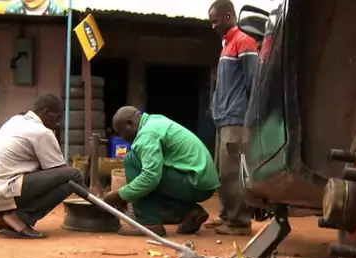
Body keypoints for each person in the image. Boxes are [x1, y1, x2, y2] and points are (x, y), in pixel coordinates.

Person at [0, 93, 82, 239]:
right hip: (2, 188)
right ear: (45, 113)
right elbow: (61, 170)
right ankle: (20, 217)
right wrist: (92, 197)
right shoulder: (42, 132)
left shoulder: (16, 120)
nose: (59, 123)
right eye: (57, 117)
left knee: (59, 177)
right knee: (74, 176)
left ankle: (4, 213)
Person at [103, 106, 219, 237]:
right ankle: (188, 212)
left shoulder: (147, 135)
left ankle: (148, 223)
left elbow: (150, 177)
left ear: (129, 124)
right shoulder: (155, 121)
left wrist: (120, 195)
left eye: (121, 132)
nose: (122, 138)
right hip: (201, 180)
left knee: (132, 160)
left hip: (195, 181)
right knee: (149, 180)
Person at [207, 0, 259, 236]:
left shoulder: (243, 42)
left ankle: (239, 222)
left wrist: (249, 118)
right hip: (223, 119)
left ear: (229, 16)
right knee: (222, 171)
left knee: (232, 171)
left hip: (237, 119)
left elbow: (254, 83)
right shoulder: (227, 45)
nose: (213, 26)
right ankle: (227, 215)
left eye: (215, 21)